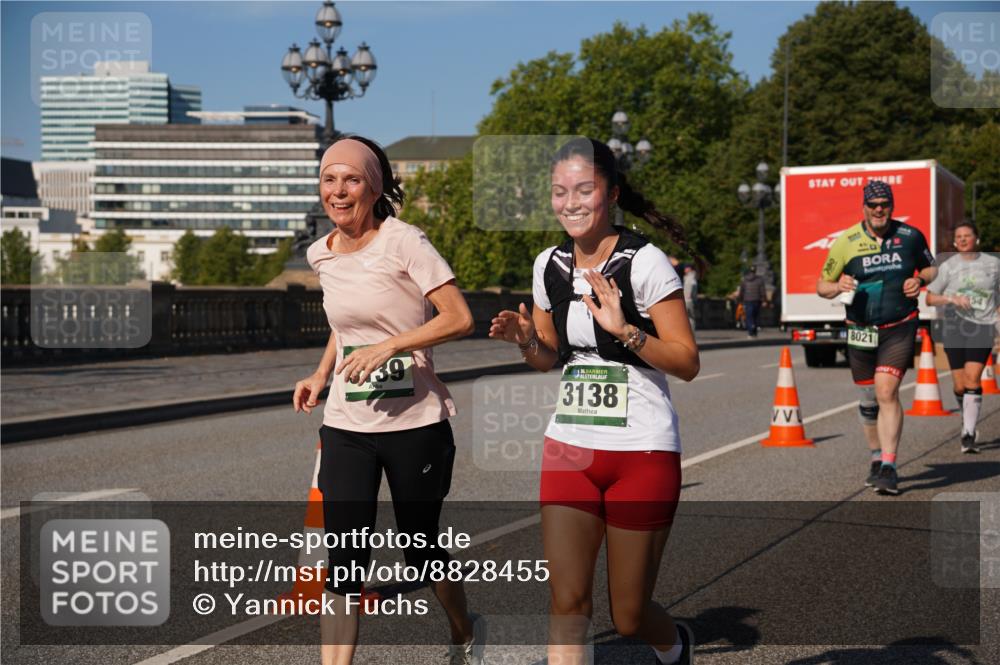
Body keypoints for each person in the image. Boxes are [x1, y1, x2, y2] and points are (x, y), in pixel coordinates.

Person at [489, 138, 701, 665]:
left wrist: (625, 330)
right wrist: (525, 341)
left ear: (612, 194)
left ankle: (675, 646)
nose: (571, 203)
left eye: (585, 190)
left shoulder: (645, 263)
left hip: (642, 452)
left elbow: (686, 361)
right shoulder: (549, 265)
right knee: (567, 604)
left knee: (628, 616)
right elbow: (549, 357)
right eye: (560, 192)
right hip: (570, 448)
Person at [292, 135, 485, 665]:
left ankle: (465, 630)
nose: (338, 190)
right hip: (346, 425)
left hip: (415, 424)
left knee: (421, 552)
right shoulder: (320, 253)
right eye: (329, 179)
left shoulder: (404, 241)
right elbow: (345, 323)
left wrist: (392, 345)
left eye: (351, 179)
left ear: (374, 188)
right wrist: (321, 372)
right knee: (344, 561)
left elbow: (459, 318)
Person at [816, 181, 936, 495]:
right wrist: (837, 287)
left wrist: (919, 279)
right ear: (864, 208)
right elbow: (821, 286)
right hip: (861, 328)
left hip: (899, 324)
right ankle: (875, 456)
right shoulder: (846, 241)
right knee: (869, 398)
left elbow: (931, 268)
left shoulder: (910, 236)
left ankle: (889, 466)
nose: (879, 209)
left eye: (884, 204)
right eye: (873, 205)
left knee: (886, 391)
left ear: (892, 206)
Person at [925, 221, 1000, 454]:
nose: (963, 239)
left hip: (983, 326)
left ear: (977, 239)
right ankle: (966, 416)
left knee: (972, 378)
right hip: (955, 327)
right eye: (959, 237)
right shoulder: (948, 266)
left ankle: (968, 433)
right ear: (955, 242)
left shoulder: (993, 264)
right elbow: (930, 298)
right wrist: (952, 299)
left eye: (967, 235)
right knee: (959, 385)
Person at [738, 265, 766, 337]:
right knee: (756, 315)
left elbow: (742, 291)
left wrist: (740, 300)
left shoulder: (744, 280)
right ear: (755, 271)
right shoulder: (760, 280)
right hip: (757, 300)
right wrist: (764, 300)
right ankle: (755, 331)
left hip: (747, 300)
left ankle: (750, 329)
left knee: (749, 316)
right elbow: (762, 291)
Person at [683, 264, 698, 332]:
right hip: (689, 300)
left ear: (689, 269)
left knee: (689, 318)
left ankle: (690, 333)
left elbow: (692, 287)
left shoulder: (690, 277)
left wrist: (688, 295)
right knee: (690, 318)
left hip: (688, 300)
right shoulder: (690, 277)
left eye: (686, 268)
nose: (684, 270)